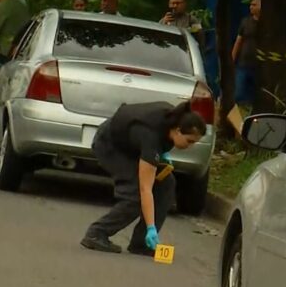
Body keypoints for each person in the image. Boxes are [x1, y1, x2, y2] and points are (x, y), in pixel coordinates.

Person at [81, 101, 206, 256]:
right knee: (135, 197)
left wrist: (162, 154)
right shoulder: (151, 137)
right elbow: (145, 189)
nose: (190, 146)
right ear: (178, 130)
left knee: (167, 184)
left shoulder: (173, 119)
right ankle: (96, 233)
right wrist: (151, 227)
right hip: (110, 145)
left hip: (131, 143)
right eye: (189, 141)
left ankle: (140, 243)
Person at [231, 0, 261, 105]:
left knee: (256, 94)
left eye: (254, 5)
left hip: (259, 65)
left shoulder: (266, 23)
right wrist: (232, 59)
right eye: (250, 5)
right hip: (243, 63)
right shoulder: (245, 22)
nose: (251, 7)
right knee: (238, 93)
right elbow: (238, 42)